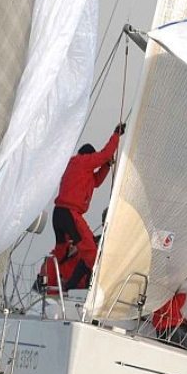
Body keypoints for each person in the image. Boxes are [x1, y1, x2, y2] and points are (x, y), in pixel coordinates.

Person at [51, 123, 125, 290]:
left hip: (58, 214)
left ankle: (51, 283)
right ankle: (100, 287)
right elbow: (104, 154)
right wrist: (116, 135)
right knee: (90, 249)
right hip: (70, 213)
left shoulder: (75, 167)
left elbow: (96, 182)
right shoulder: (83, 162)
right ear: (88, 156)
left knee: (61, 252)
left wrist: (106, 166)